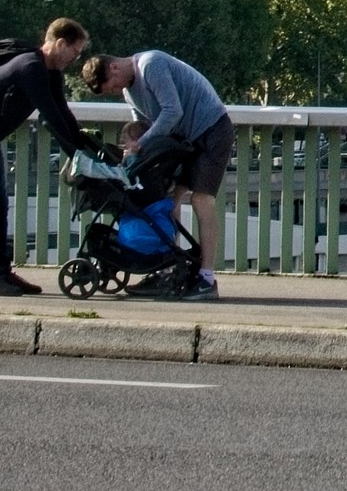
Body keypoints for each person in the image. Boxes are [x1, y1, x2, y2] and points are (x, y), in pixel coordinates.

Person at [0, 19, 109, 297]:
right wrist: (76, 156)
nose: (75, 59)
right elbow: (49, 114)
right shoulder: (31, 67)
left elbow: (63, 114)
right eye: (74, 52)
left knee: (0, 206)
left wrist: (84, 146)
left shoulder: (51, 75)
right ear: (60, 43)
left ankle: (1, 272)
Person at [80, 48, 235, 302]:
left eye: (111, 86)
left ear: (113, 68)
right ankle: (166, 268)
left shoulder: (151, 65)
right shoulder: (129, 91)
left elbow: (172, 112)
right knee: (168, 203)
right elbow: (143, 128)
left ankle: (207, 278)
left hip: (211, 130)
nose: (114, 91)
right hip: (184, 140)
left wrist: (140, 144)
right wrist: (133, 153)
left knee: (201, 200)